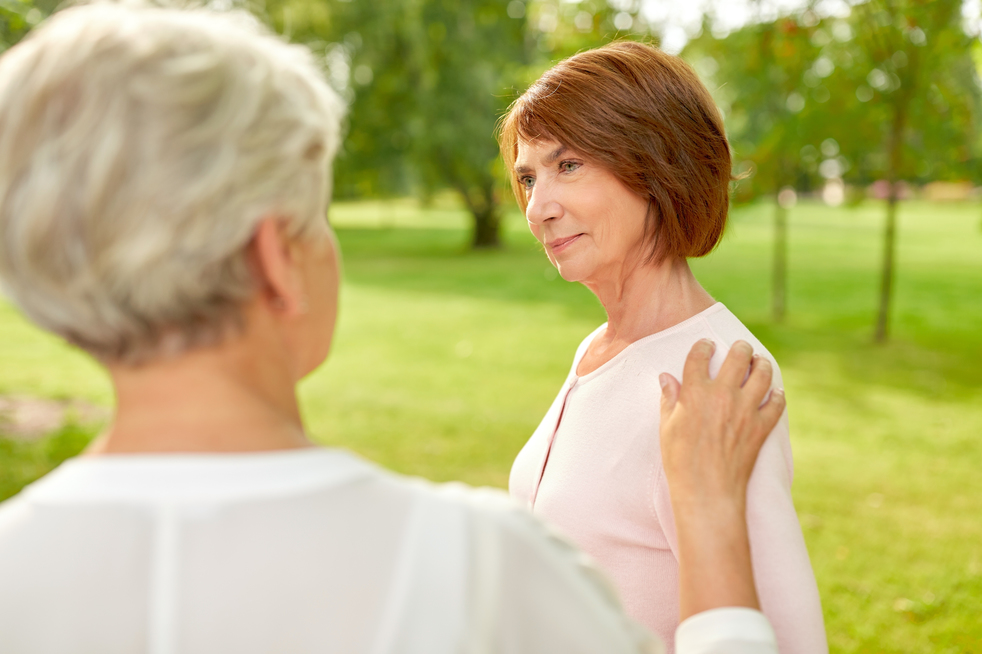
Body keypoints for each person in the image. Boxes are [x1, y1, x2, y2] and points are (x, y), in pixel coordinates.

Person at [0, 4, 779, 652]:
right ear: (276, 257)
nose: (539, 204)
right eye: (317, 212)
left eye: (567, 166)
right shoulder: (478, 571)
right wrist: (711, 526)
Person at [500, 42, 828, 654]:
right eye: (528, 177)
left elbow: (789, 641)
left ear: (655, 164)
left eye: (568, 165)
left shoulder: (718, 378)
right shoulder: (599, 349)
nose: (537, 208)